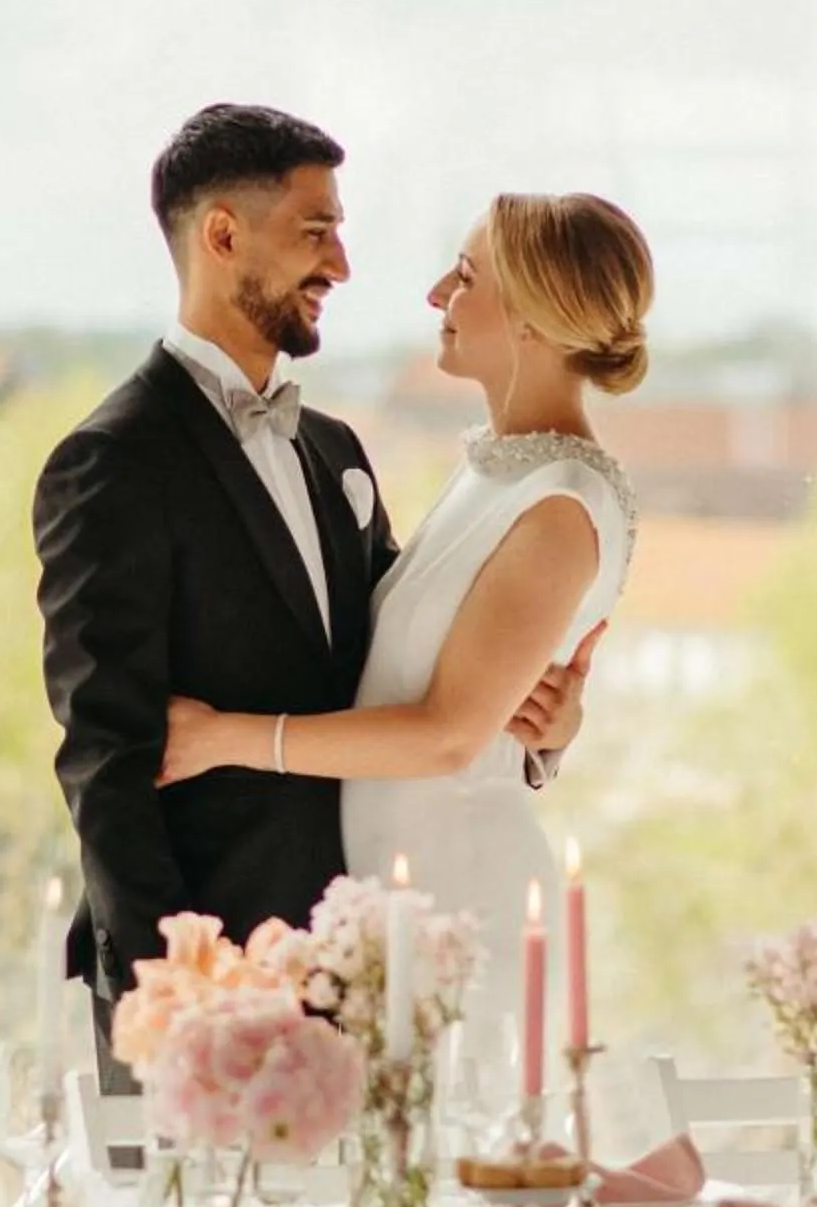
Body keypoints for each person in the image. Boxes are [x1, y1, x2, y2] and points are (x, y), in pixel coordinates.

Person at [33, 105, 594, 1080]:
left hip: (358, 977)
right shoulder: (111, 463)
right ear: (222, 236)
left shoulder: (335, 450)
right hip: (209, 991)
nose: (341, 264)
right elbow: (107, 765)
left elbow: (403, 673)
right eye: (315, 232)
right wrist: (178, 998)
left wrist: (538, 729)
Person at [160, 189, 649, 1076]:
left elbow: (449, 733)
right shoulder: (502, 474)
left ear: (535, 319)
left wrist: (221, 740)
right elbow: (469, 698)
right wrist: (543, 738)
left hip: (466, 909)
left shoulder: (559, 506)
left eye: (464, 277)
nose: (435, 295)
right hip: (398, 901)